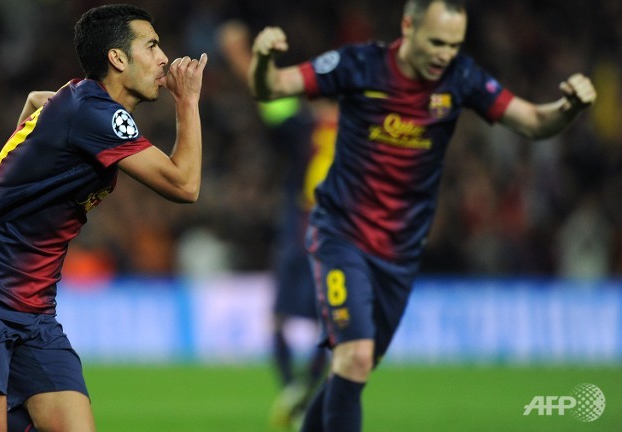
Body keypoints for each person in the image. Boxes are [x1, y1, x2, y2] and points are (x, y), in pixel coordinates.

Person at [247, 1, 596, 431]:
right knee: (354, 356)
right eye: (436, 42)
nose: (445, 54)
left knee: (353, 369)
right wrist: (262, 59)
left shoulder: (461, 78)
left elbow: (534, 121)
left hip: (400, 252)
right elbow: (272, 87)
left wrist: (568, 108)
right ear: (408, 25)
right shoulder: (359, 65)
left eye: (454, 45)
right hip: (342, 234)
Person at [0, 4, 207, 431]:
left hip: (36, 304)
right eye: (151, 46)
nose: (164, 58)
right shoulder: (95, 112)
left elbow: (33, 106)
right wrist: (187, 101)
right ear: (118, 58)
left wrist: (32, 132)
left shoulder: (78, 102)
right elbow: (184, 185)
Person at [218, 21, 333, 429]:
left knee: (281, 319)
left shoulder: (303, 122)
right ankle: (303, 391)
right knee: (331, 324)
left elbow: (263, 90)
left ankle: (292, 391)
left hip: (303, 227)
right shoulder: (361, 129)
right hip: (341, 233)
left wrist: (236, 51)